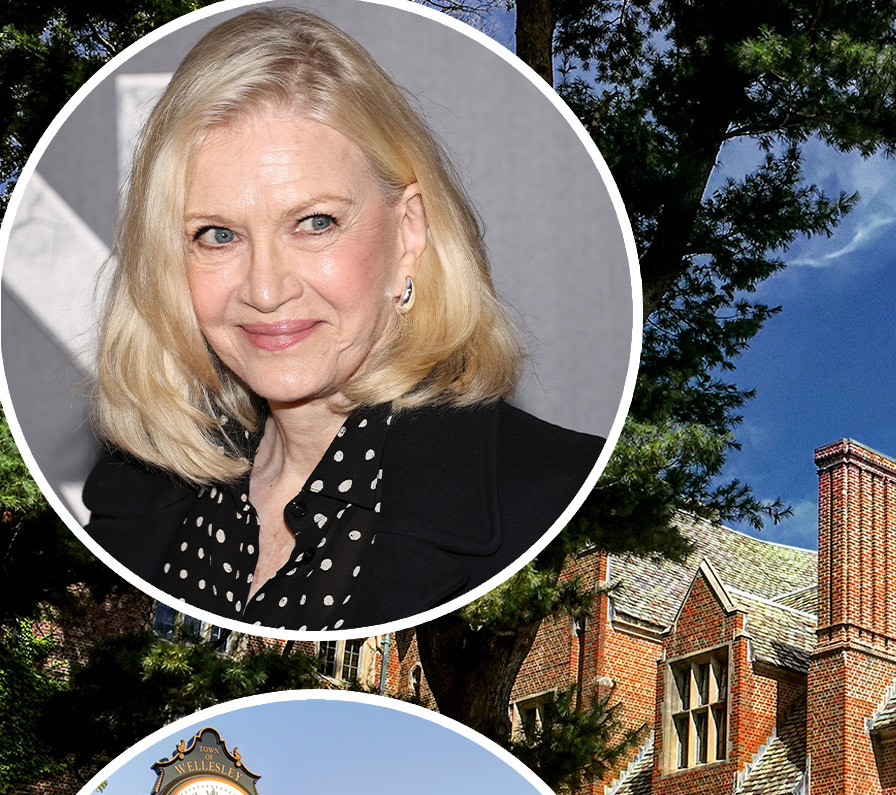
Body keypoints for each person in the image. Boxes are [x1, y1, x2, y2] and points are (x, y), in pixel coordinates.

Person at [81, 7, 604, 632]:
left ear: (408, 229)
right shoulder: (129, 490)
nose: (266, 290)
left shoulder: (560, 498)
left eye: (315, 222)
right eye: (216, 235)